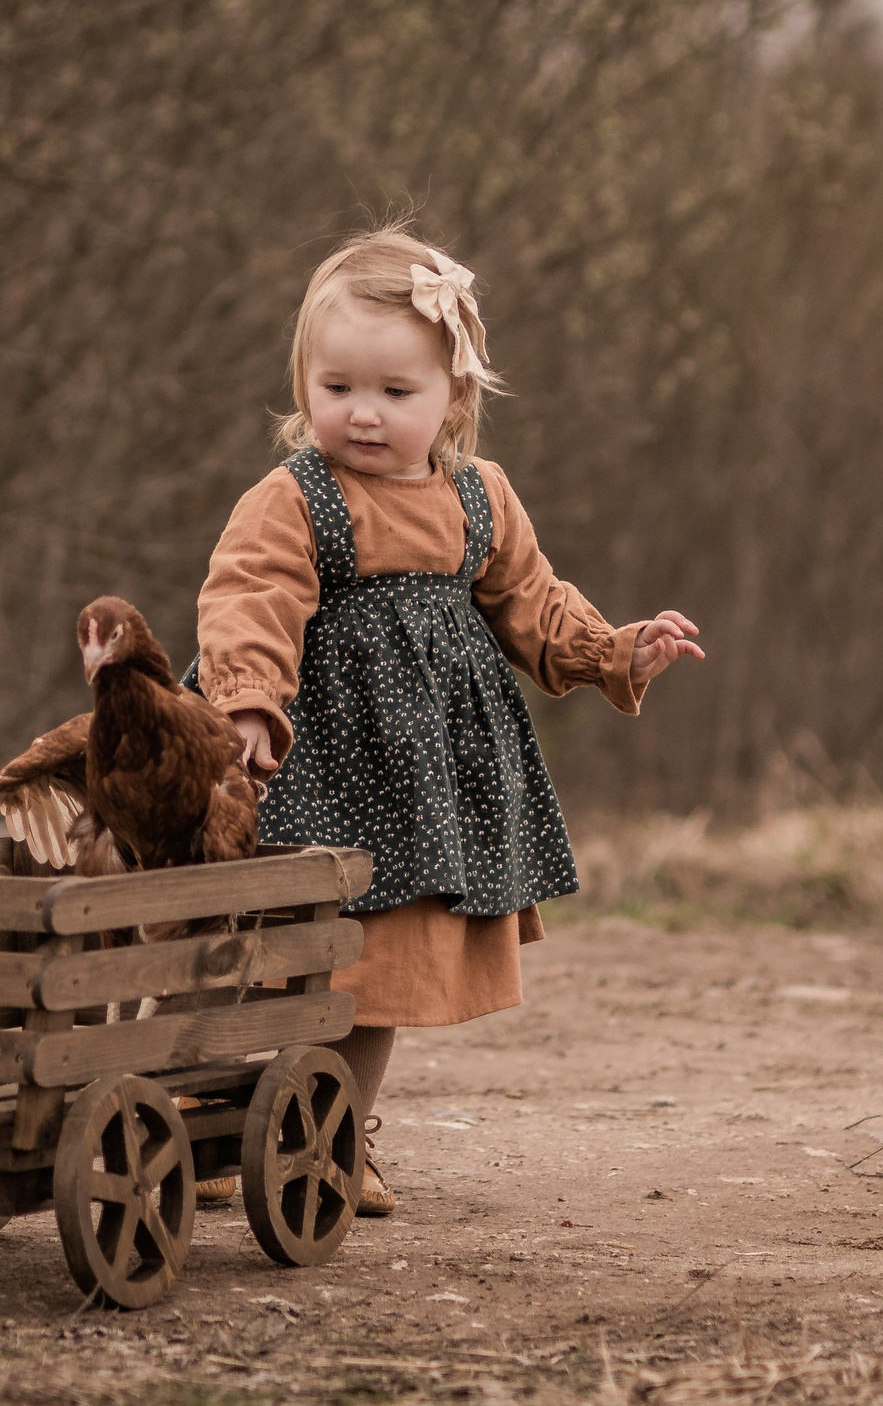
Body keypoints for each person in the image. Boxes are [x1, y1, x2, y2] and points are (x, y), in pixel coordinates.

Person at [193, 224, 704, 1215]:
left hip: (424, 786)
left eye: (396, 392)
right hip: (309, 762)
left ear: (453, 400)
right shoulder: (291, 499)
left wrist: (613, 650)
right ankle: (219, 1121)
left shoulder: (480, 498)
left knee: (376, 968)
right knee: (280, 946)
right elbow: (246, 598)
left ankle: (329, 1140)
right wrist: (247, 704)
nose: (365, 415)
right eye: (337, 388)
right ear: (304, 383)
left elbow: (537, 608)